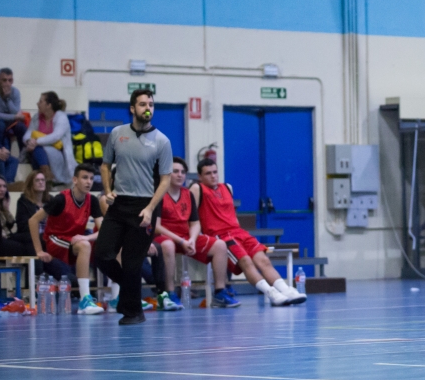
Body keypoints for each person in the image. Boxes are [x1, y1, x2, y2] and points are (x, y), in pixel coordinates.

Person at [90, 90, 175, 324]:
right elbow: (105, 166)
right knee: (102, 255)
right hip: (119, 204)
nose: (147, 108)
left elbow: (165, 180)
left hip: (144, 206)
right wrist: (107, 190)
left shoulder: (162, 141)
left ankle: (133, 312)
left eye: (151, 104)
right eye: (142, 104)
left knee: (131, 262)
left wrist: (150, 209)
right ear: (132, 108)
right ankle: (131, 294)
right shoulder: (117, 134)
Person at [192, 158, 306, 307]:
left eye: (215, 172)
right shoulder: (197, 188)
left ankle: (286, 290)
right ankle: (272, 294)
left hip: (238, 232)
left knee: (263, 260)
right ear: (200, 176)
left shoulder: (227, 187)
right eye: (208, 173)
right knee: (246, 261)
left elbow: (230, 212)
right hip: (220, 236)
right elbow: (191, 216)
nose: (213, 176)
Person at [152, 157, 239, 310]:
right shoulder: (159, 194)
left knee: (220, 245)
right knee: (168, 246)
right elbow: (156, 227)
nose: (180, 175)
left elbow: (195, 223)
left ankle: (220, 292)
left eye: (183, 172)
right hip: (164, 236)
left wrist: (192, 239)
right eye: (175, 171)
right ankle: (170, 293)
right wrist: (181, 241)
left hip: (185, 236)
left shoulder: (188, 194)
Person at [28, 164, 102, 312]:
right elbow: (33, 220)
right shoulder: (61, 199)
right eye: (84, 178)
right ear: (75, 180)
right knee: (85, 245)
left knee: (103, 244)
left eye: (91, 178)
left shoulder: (92, 200)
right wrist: (39, 250)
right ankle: (85, 299)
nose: (88, 182)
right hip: (55, 240)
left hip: (75, 241)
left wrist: (87, 237)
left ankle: (113, 296)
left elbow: (103, 230)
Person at [23, 91, 77, 186]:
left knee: (37, 149)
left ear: (49, 105)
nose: (37, 104)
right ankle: (44, 176)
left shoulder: (61, 117)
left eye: (40, 101)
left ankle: (44, 176)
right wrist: (29, 141)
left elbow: (55, 137)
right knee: (35, 150)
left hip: (58, 152)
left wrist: (36, 142)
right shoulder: (37, 117)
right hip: (40, 151)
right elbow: (28, 134)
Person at [2, 170, 49, 254]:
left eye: (43, 180)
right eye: (37, 180)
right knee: (33, 241)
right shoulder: (23, 201)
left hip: (48, 236)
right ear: (31, 184)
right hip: (31, 236)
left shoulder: (51, 201)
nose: (41, 182)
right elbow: (22, 226)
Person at [0, 69, 25, 183]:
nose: (7, 83)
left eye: (10, 80)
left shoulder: (15, 92)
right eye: (4, 80)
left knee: (21, 127)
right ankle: (0, 150)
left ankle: (24, 155)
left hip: (11, 123)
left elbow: (16, 112)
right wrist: (14, 116)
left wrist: (7, 99)